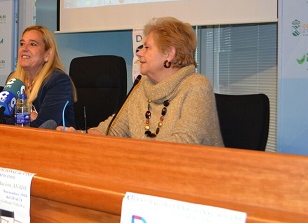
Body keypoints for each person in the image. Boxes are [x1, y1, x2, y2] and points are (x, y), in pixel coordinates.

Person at [65, 17, 223, 146]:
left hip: (195, 177)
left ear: (169, 53)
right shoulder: (142, 88)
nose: (139, 53)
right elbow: (111, 131)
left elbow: (184, 144)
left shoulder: (196, 86)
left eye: (147, 47)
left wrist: (133, 151)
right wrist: (78, 135)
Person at [8, 25, 76, 128]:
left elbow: (45, 126)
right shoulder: (13, 80)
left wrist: (21, 117)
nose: (24, 49)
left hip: (54, 142)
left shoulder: (58, 81)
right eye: (22, 44)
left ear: (47, 54)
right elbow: (3, 120)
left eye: (33, 44)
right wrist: (29, 116)